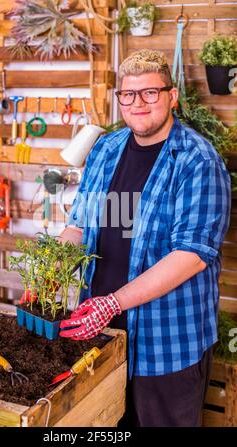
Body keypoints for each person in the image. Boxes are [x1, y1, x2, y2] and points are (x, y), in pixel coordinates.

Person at [58, 49, 231, 427]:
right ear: (119, 98)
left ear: (172, 96)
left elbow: (191, 255)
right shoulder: (106, 149)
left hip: (166, 344)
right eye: (128, 94)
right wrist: (51, 265)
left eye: (150, 93)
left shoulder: (197, 161)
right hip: (101, 335)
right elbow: (79, 225)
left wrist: (113, 302)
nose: (138, 103)